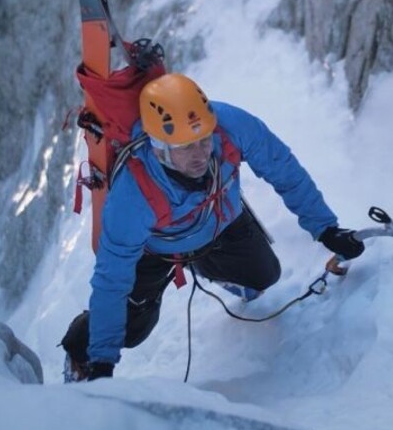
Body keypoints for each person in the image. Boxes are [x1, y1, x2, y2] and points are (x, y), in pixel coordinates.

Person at [61, 72, 365, 382]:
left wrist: (326, 228)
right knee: (133, 330)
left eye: (204, 141)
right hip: (155, 249)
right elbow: (112, 280)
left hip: (219, 221)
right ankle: (79, 352)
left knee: (264, 275)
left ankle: (204, 264)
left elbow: (284, 169)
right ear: (159, 147)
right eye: (186, 147)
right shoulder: (132, 196)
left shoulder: (229, 126)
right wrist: (102, 362)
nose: (201, 154)